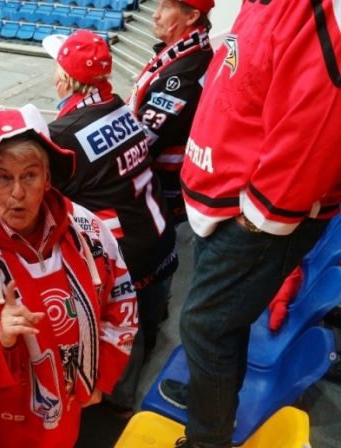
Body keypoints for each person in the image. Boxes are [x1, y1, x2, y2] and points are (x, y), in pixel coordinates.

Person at [164, 0, 341, 446]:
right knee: (220, 323)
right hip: (224, 199)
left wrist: (258, 218)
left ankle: (207, 437)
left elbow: (313, 122)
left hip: (251, 216)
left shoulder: (318, 11)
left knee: (205, 326)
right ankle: (211, 399)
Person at [0, 104, 138, 446]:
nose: (18, 192)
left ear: (48, 179)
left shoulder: (88, 231)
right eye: (3, 178)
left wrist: (99, 379)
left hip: (68, 416)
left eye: (30, 175)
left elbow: (122, 301)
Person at [42, 30, 179, 412]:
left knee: (124, 332)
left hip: (125, 256)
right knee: (149, 324)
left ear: (65, 78)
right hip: (159, 235)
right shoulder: (119, 106)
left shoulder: (63, 134)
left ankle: (117, 404)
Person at [127, 0, 214, 225]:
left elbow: (140, 144)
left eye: (166, 7)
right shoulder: (186, 53)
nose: (155, 15)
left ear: (192, 16)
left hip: (162, 195)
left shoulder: (185, 74)